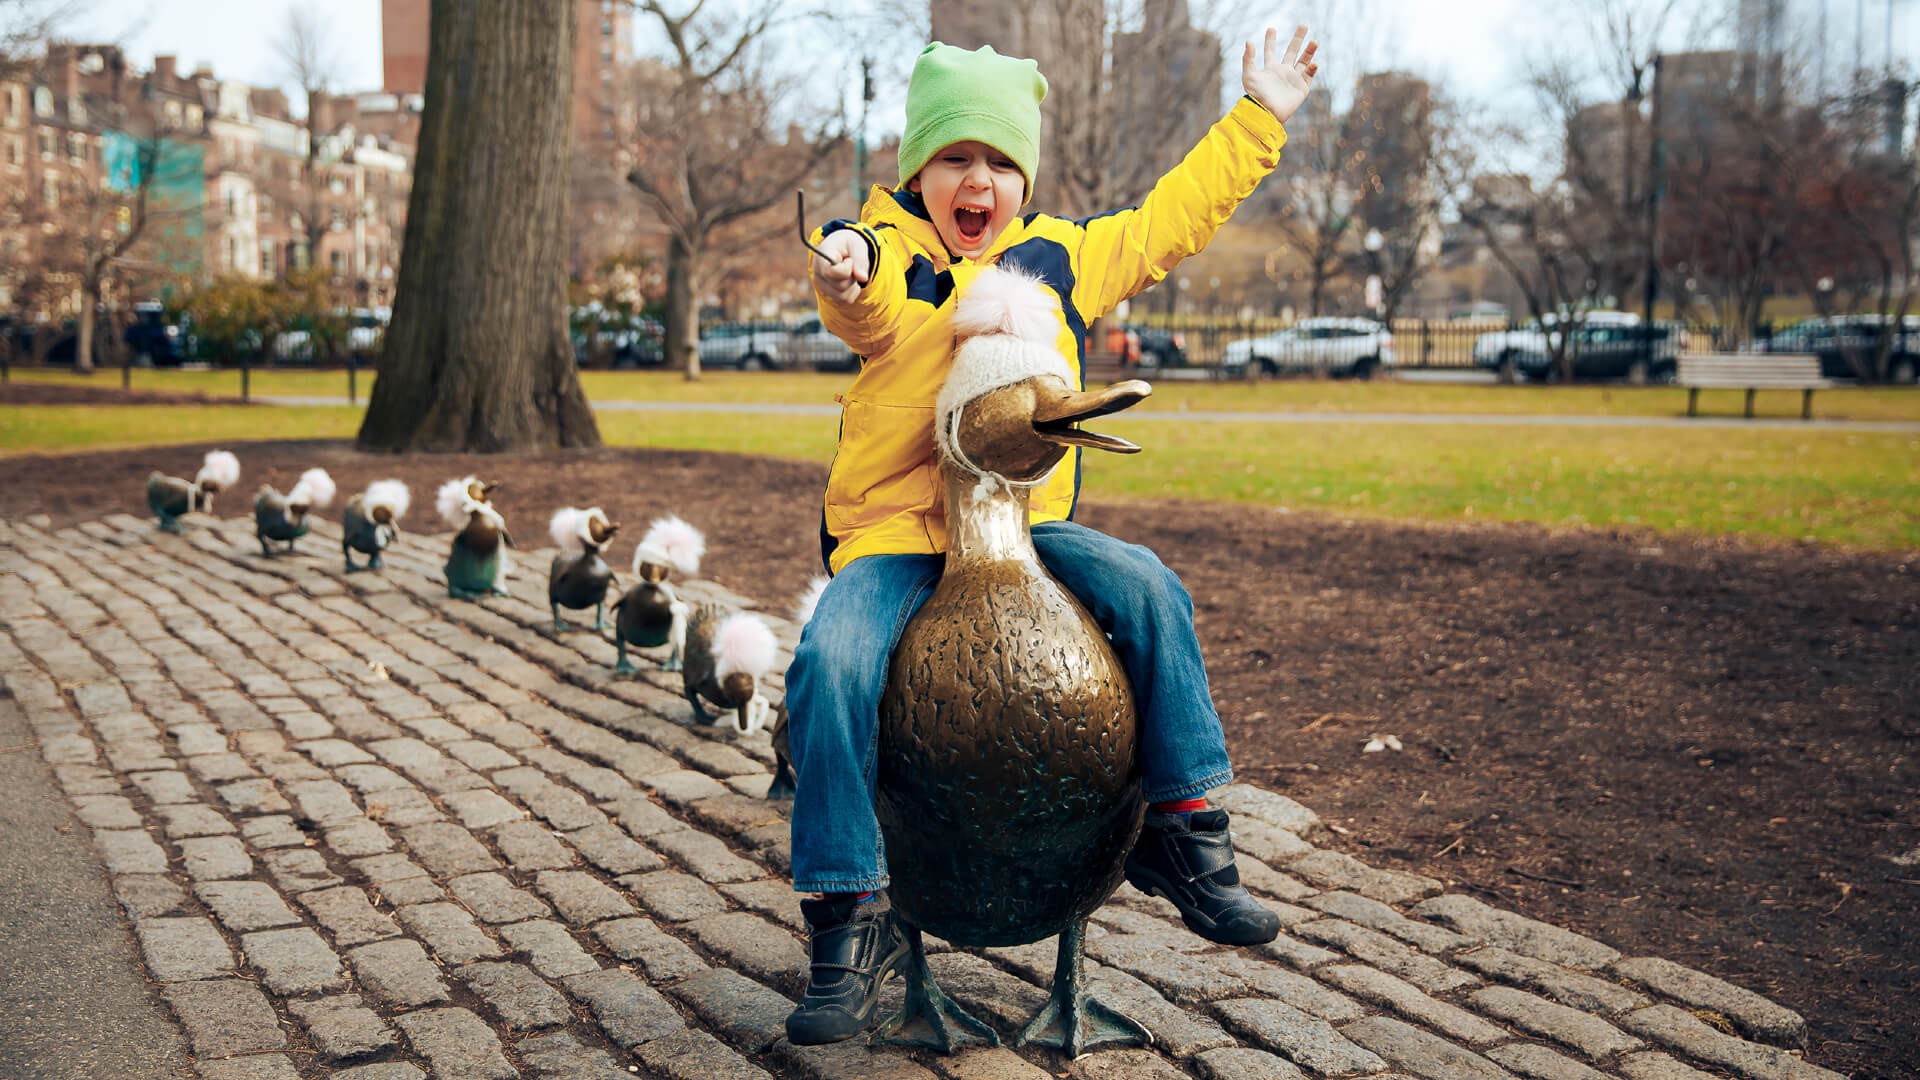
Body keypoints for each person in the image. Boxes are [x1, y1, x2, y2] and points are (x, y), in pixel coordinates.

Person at [786, 26, 1321, 1045]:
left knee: (1150, 585)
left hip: (1025, 532)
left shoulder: (1063, 259)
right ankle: (843, 913)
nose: (975, 180)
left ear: (1022, 178)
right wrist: (843, 270)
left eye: (997, 160)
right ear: (918, 173)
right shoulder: (892, 254)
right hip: (901, 539)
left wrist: (1261, 119)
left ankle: (1186, 830)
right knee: (834, 657)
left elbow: (1173, 217)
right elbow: (860, 296)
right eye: (953, 158)